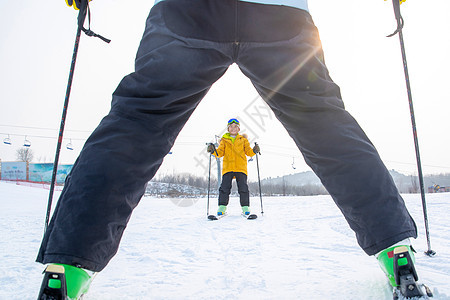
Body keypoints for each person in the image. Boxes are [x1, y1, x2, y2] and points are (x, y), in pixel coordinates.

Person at [38, 0, 421, 298]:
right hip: (280, 18)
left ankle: (67, 270)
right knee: (324, 124)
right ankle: (395, 250)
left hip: (185, 17)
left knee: (137, 123)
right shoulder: (227, 137)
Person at [207, 118, 260, 216]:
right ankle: (222, 207)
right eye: (231, 127)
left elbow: (248, 152)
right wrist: (213, 150)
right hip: (228, 168)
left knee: (243, 188)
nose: (233, 128)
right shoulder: (224, 140)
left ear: (239, 129)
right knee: (224, 188)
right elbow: (220, 153)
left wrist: (254, 150)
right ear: (228, 129)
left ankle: (245, 207)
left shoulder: (243, 140)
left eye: (235, 127)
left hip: (241, 168)